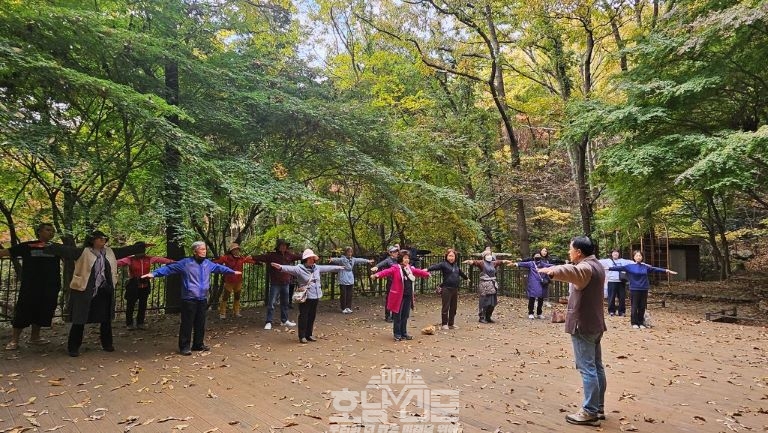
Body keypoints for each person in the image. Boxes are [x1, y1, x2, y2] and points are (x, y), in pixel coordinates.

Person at [537, 236, 606, 426]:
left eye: (570, 249)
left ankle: (590, 411)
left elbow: (572, 271)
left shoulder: (586, 267)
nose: (569, 252)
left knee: (588, 368)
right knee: (597, 367)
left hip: (583, 325)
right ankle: (598, 407)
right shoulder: (597, 265)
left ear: (579, 252)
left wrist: (552, 271)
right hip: (595, 324)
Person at [44, 230, 146, 357]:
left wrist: (141, 246)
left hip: (104, 289)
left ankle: (107, 344)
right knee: (79, 319)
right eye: (100, 238)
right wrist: (49, 246)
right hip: (84, 289)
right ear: (92, 240)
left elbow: (126, 250)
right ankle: (73, 347)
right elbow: (65, 250)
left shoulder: (110, 252)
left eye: (105, 238)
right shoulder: (83, 252)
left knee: (106, 318)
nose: (103, 240)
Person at [142, 241, 239, 355]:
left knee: (200, 322)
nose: (204, 251)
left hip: (202, 298)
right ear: (195, 251)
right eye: (201, 249)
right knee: (187, 323)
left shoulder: (208, 263)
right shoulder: (185, 263)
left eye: (205, 249)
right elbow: (169, 269)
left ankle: (198, 344)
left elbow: (219, 268)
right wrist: (153, 274)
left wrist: (232, 272)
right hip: (189, 298)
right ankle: (184, 346)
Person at [1, 223, 61, 351]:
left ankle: (35, 337)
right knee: (23, 310)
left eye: (53, 231)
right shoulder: (27, 246)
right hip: (30, 286)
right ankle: (14, 340)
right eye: (48, 230)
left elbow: (73, 256)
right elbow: (6, 252)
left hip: (49, 286)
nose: (51, 232)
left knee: (42, 311)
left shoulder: (56, 248)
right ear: (39, 231)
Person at [270, 249, 343, 343]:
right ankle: (302, 336)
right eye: (310, 258)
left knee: (312, 316)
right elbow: (289, 269)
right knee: (304, 315)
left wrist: (339, 267)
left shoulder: (317, 267)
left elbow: (327, 268)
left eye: (313, 258)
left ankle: (309, 334)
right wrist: (280, 267)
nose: (312, 260)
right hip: (305, 296)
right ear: (305, 259)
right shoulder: (299, 268)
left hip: (316, 295)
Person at [607, 250, 677, 329]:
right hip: (634, 289)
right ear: (634, 257)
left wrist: (666, 270)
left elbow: (654, 269)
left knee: (642, 306)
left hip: (644, 288)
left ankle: (641, 322)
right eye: (636, 256)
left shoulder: (645, 266)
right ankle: (634, 323)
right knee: (634, 306)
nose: (638, 257)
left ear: (642, 257)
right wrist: (607, 268)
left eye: (640, 256)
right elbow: (618, 268)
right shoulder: (630, 266)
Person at [372, 250, 430, 341]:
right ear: (400, 259)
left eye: (408, 258)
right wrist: (377, 275)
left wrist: (427, 274)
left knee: (405, 315)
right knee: (397, 316)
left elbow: (417, 272)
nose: (407, 260)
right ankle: (397, 333)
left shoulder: (409, 268)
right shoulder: (395, 268)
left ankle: (404, 333)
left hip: (407, 295)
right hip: (398, 296)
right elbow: (386, 272)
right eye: (405, 258)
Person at [116, 250, 174, 330]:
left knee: (143, 304)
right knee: (130, 304)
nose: (141, 253)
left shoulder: (149, 258)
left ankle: (140, 322)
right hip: (133, 284)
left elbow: (160, 260)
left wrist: (174, 262)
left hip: (145, 284)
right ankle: (129, 323)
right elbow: (119, 263)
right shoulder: (130, 259)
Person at [251, 239, 301, 330]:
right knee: (271, 303)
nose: (283, 247)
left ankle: (284, 320)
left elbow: (299, 257)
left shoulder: (289, 255)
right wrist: (251, 257)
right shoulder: (272, 256)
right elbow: (261, 257)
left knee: (285, 303)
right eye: (281, 245)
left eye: (285, 245)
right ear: (278, 247)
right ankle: (269, 321)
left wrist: (309, 256)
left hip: (286, 282)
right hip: (275, 283)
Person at [463, 248, 511, 324]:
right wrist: (469, 261)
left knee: (492, 302)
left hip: (492, 284)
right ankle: (482, 317)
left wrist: (506, 261)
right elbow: (474, 262)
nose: (489, 256)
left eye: (490, 254)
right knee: (484, 301)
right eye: (487, 254)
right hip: (484, 285)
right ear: (484, 256)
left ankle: (488, 317)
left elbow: (501, 262)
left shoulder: (493, 263)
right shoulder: (481, 263)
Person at [426, 248, 468, 330]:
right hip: (446, 288)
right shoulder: (444, 264)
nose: (451, 258)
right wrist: (427, 269)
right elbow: (435, 266)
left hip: (454, 289)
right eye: (449, 256)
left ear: (455, 257)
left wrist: (466, 278)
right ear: (446, 256)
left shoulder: (456, 266)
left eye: (453, 256)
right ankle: (444, 323)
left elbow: (460, 272)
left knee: (453, 307)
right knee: (446, 306)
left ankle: (451, 323)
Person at [213, 243, 255, 319]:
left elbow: (249, 261)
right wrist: (209, 263)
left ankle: (236, 312)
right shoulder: (226, 258)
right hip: (229, 281)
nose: (236, 251)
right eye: (234, 249)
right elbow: (218, 262)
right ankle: (222, 313)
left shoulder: (241, 258)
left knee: (237, 296)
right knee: (225, 297)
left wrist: (257, 262)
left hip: (238, 281)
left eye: (237, 249)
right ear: (231, 251)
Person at [328, 247, 373, 313]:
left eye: (351, 252)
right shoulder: (342, 259)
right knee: (343, 294)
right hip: (343, 278)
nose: (350, 253)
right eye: (348, 252)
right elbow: (336, 259)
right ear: (346, 252)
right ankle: (343, 308)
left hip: (350, 278)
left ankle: (348, 307)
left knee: (349, 294)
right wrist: (332, 259)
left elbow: (360, 260)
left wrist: (368, 261)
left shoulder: (353, 259)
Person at [513, 253, 553, 319]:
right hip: (533, 282)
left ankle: (539, 313)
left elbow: (551, 265)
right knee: (532, 297)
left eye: (538, 256)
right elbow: (522, 264)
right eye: (536, 256)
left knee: (541, 298)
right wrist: (515, 264)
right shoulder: (531, 263)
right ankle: (531, 312)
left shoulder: (543, 264)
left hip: (541, 283)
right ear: (533, 257)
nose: (537, 257)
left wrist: (561, 266)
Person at [598, 249, 633, 317]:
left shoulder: (623, 261)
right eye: (614, 253)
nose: (615, 254)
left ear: (619, 254)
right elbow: (598, 262)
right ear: (611, 254)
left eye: (617, 252)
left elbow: (632, 262)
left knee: (622, 297)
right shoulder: (607, 261)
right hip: (611, 281)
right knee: (611, 297)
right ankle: (611, 311)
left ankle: (622, 311)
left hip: (621, 281)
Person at [370, 246, 400, 322]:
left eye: (397, 251)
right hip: (390, 282)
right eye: (394, 252)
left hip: (397, 283)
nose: (396, 253)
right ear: (390, 253)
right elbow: (380, 264)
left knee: (396, 299)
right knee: (389, 299)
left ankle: (394, 315)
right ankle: (387, 316)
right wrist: (376, 267)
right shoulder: (388, 260)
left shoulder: (398, 260)